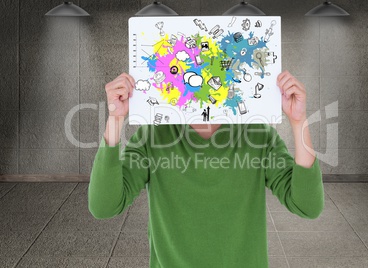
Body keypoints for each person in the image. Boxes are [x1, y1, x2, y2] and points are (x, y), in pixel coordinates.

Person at [88, 70, 324, 267]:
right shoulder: (153, 134)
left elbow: (307, 206)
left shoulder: (257, 133)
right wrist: (115, 120)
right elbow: (104, 206)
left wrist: (298, 120)